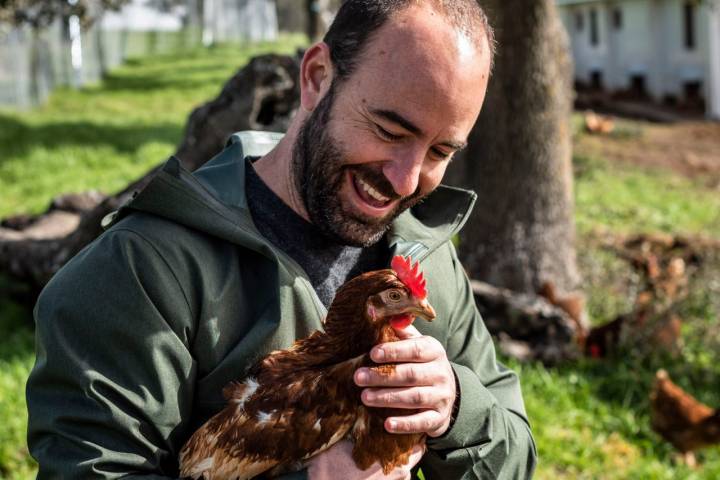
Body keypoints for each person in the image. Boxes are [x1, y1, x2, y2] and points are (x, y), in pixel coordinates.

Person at [26, 0, 537, 478]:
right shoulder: (140, 272)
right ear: (316, 78)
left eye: (439, 151)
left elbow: (516, 457)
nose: (406, 181)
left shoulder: (422, 255)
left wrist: (455, 409)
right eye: (389, 131)